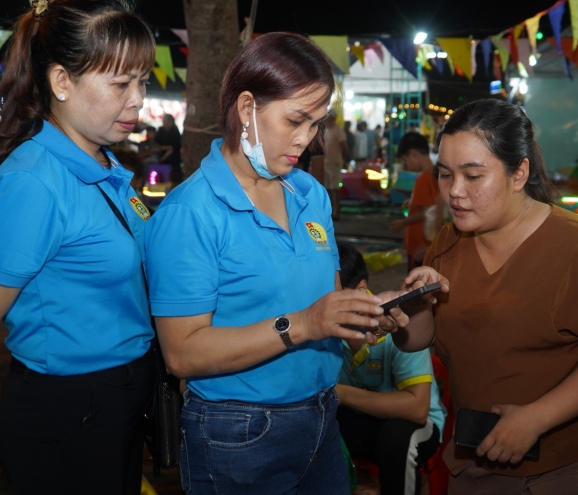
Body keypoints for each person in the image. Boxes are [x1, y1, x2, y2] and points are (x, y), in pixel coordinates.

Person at [143, 32, 402, 494]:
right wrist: (302, 324)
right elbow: (182, 354)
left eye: (316, 124)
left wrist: (363, 314)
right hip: (238, 433)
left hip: (323, 416)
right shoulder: (191, 212)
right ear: (246, 108)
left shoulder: (309, 194)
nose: (306, 139)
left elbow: (328, 301)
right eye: (295, 120)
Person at [0, 1, 156, 492]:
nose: (138, 100)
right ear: (61, 81)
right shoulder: (33, 184)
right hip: (69, 413)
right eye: (121, 84)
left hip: (113, 402)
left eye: (142, 82)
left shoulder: (101, 162)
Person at [391, 99, 578, 493]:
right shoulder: (448, 242)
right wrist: (415, 304)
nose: (454, 191)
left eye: (473, 176)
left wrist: (535, 419)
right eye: (445, 175)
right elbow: (415, 340)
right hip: (473, 459)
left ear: (519, 173)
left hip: (560, 470)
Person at [335, 243, 446, 495]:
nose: (323, 305)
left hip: (414, 426)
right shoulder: (322, 326)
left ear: (361, 289)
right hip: (357, 420)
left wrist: (342, 394)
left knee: (398, 438)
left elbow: (417, 409)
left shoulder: (397, 322)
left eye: (333, 296)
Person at [389, 132, 441, 269]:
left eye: (405, 160)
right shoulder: (436, 175)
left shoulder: (423, 178)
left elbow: (426, 211)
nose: (406, 165)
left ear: (413, 154)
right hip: (428, 242)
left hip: (419, 244)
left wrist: (403, 222)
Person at [324, 109, 348, 220]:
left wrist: (344, 159)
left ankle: (336, 210)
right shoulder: (326, 130)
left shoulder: (338, 130)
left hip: (335, 162)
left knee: (335, 188)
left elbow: (344, 146)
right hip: (326, 162)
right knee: (328, 188)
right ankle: (330, 210)